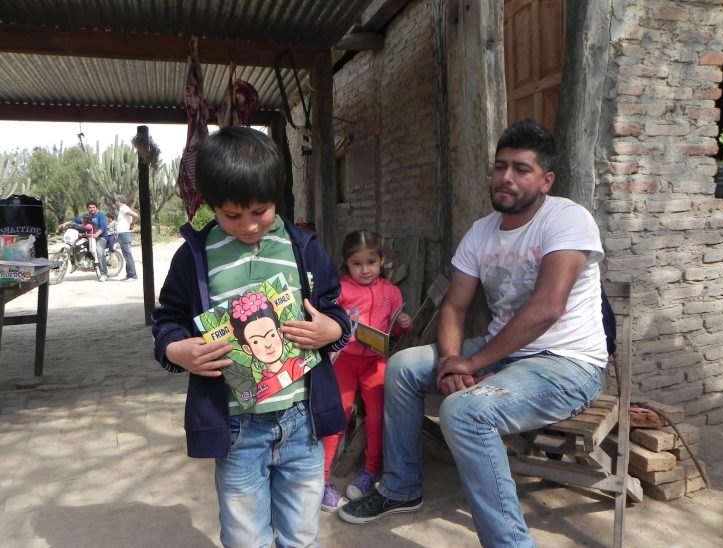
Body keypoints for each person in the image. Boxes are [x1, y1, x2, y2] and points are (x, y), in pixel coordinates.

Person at [338, 119, 607, 547]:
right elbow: (454, 306)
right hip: (502, 353)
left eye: (521, 169)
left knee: (465, 412)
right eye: (500, 166)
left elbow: (547, 308)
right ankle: (400, 487)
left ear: (546, 180)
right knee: (404, 365)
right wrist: (449, 360)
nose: (506, 177)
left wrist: (474, 362)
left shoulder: (568, 219)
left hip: (566, 365)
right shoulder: (481, 232)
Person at [150, 126, 351, 548]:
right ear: (210, 206)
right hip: (237, 427)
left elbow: (335, 308)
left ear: (277, 197)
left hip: (303, 422)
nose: (249, 226)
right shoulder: (195, 257)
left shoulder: (303, 248)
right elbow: (167, 317)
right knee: (246, 538)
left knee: (301, 535)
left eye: (260, 211)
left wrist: (331, 328)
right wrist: (176, 348)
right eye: (232, 215)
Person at [321, 230, 413, 512]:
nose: (364, 270)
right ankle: (322, 481)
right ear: (346, 263)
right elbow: (327, 322)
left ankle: (370, 471)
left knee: (377, 417)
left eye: (370, 262)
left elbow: (396, 326)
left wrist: (403, 324)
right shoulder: (340, 290)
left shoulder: (391, 292)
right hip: (345, 360)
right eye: (356, 264)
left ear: (382, 260)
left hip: (376, 362)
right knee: (337, 416)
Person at [59, 201, 109, 282]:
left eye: (93, 207)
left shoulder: (101, 216)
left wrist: (96, 234)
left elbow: (103, 226)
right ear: (87, 208)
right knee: (75, 246)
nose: (91, 209)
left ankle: (103, 273)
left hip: (101, 237)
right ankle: (75, 264)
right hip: (89, 237)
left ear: (97, 208)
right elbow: (75, 220)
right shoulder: (86, 216)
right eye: (90, 207)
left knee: (100, 253)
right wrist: (64, 224)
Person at [113, 194, 138, 280]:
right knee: (126, 255)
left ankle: (133, 275)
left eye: (115, 201)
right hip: (123, 234)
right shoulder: (123, 209)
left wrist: (132, 224)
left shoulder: (123, 208)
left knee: (127, 255)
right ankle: (129, 275)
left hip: (124, 234)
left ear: (119, 201)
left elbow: (135, 215)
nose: (115, 203)